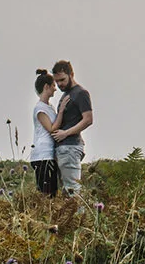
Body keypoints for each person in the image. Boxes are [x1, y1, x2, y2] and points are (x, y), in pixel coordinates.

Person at [50, 59, 93, 195]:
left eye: (62, 80)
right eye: (57, 81)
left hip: (70, 147)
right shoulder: (65, 95)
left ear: (71, 74)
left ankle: (79, 216)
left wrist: (65, 133)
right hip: (62, 149)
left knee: (72, 190)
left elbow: (88, 119)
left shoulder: (81, 93)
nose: (60, 84)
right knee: (66, 193)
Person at [29, 69, 64, 196]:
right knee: (47, 194)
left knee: (52, 193)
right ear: (46, 87)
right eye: (53, 85)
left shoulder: (49, 107)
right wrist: (61, 111)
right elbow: (52, 129)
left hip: (50, 154)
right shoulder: (39, 108)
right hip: (42, 156)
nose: (55, 89)